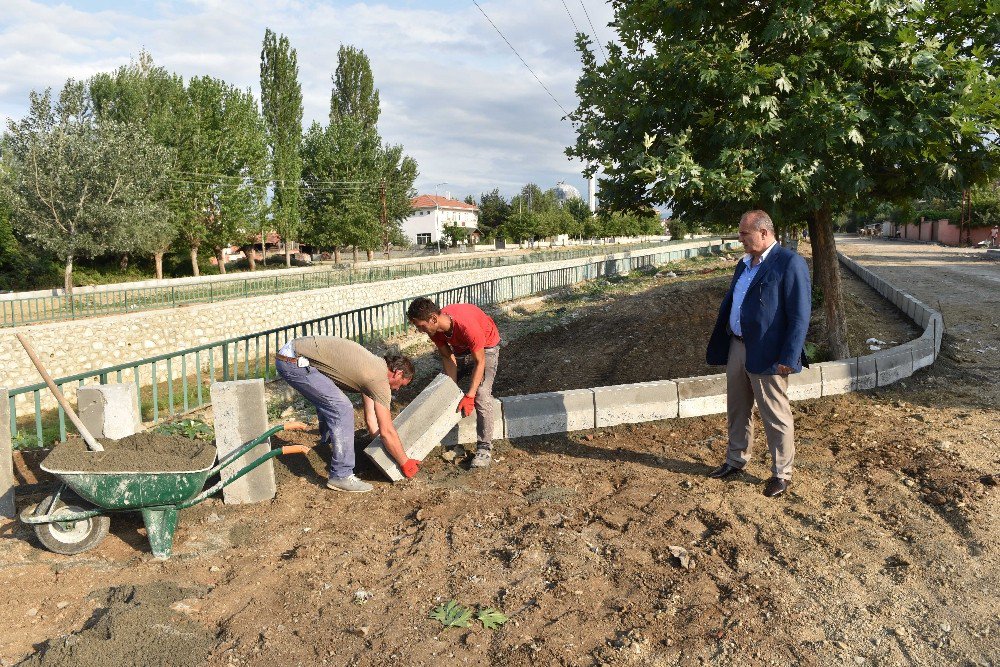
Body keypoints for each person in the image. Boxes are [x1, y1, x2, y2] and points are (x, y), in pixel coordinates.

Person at [705, 210, 811, 498]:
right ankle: (736, 460)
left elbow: (800, 316)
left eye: (744, 234)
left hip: (769, 352)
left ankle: (781, 474)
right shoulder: (744, 264)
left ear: (764, 233)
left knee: (775, 415)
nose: (740, 239)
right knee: (738, 409)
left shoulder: (789, 263)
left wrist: (789, 357)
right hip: (738, 346)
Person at [276, 336, 419, 493]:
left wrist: (377, 445)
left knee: (332, 399)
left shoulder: (373, 367)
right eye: (401, 385)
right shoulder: (379, 380)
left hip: (294, 355)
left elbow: (372, 421)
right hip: (295, 362)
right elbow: (387, 431)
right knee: (341, 408)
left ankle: (329, 443)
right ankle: (341, 475)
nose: (397, 389)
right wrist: (405, 462)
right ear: (398, 373)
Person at [407, 297, 501, 469]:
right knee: (443, 386)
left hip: (486, 347)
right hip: (463, 349)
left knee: (481, 394)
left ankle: (484, 448)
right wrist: (451, 387)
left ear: (433, 319)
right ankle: (448, 439)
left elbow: (479, 362)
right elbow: (447, 357)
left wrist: (470, 395)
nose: (420, 330)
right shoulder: (434, 330)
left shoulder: (467, 327)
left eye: (421, 326)